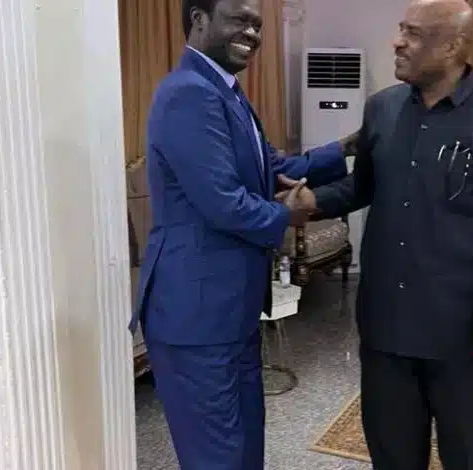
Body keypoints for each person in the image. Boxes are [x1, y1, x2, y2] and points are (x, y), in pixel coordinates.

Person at [302, 0, 473, 468]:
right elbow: (362, 187)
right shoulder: (382, 109)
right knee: (393, 459)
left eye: (412, 34)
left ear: (452, 46)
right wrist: (311, 202)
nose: (397, 42)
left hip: (464, 334)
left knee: (471, 459)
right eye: (401, 29)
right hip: (385, 330)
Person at [128, 0, 354, 468]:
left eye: (257, 24)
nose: (252, 33)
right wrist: (287, 215)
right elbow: (223, 202)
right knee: (218, 456)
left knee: (245, 446)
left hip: (232, 310)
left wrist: (348, 147)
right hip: (196, 316)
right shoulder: (188, 93)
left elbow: (275, 167)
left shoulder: (227, 92)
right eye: (239, 19)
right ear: (199, 19)